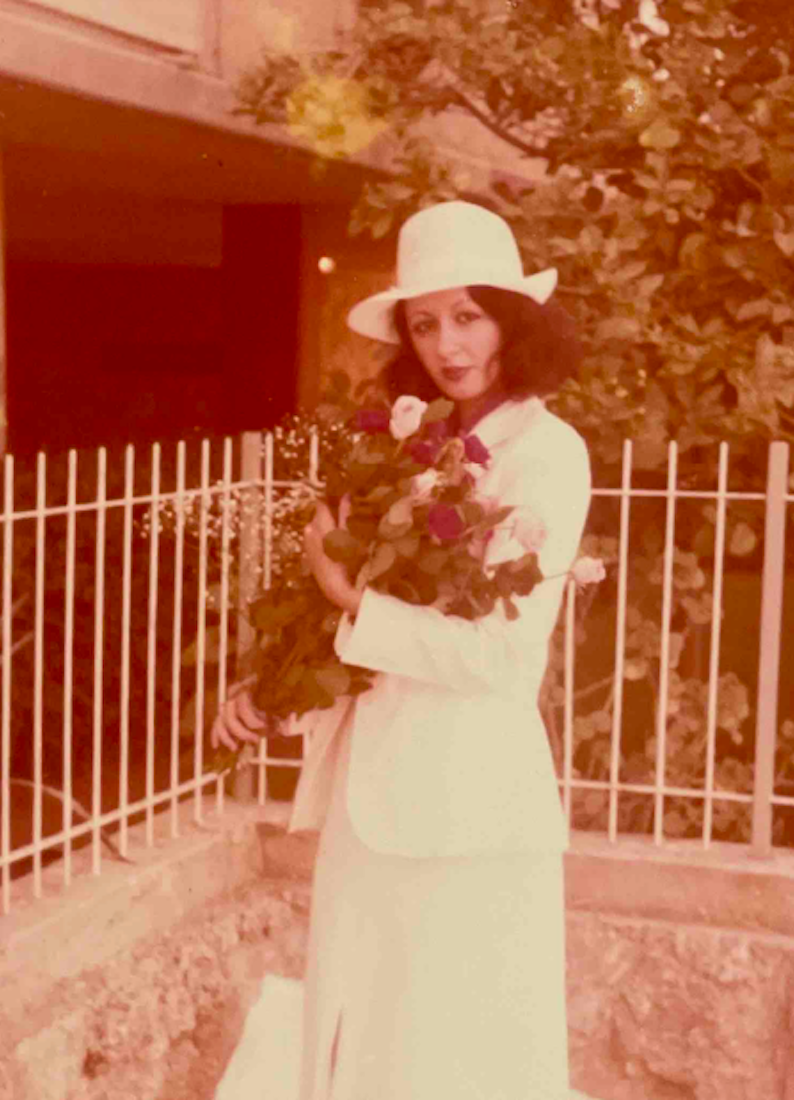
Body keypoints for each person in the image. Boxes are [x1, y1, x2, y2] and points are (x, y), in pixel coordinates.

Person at [211, 200, 592, 1100]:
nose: (447, 345)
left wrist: (355, 600)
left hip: (465, 808)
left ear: (512, 320)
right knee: (358, 1049)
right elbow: (346, 628)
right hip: (368, 802)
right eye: (424, 324)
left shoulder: (546, 455)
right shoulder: (408, 447)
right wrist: (276, 689)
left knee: (451, 1060)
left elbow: (502, 659)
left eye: (468, 316)